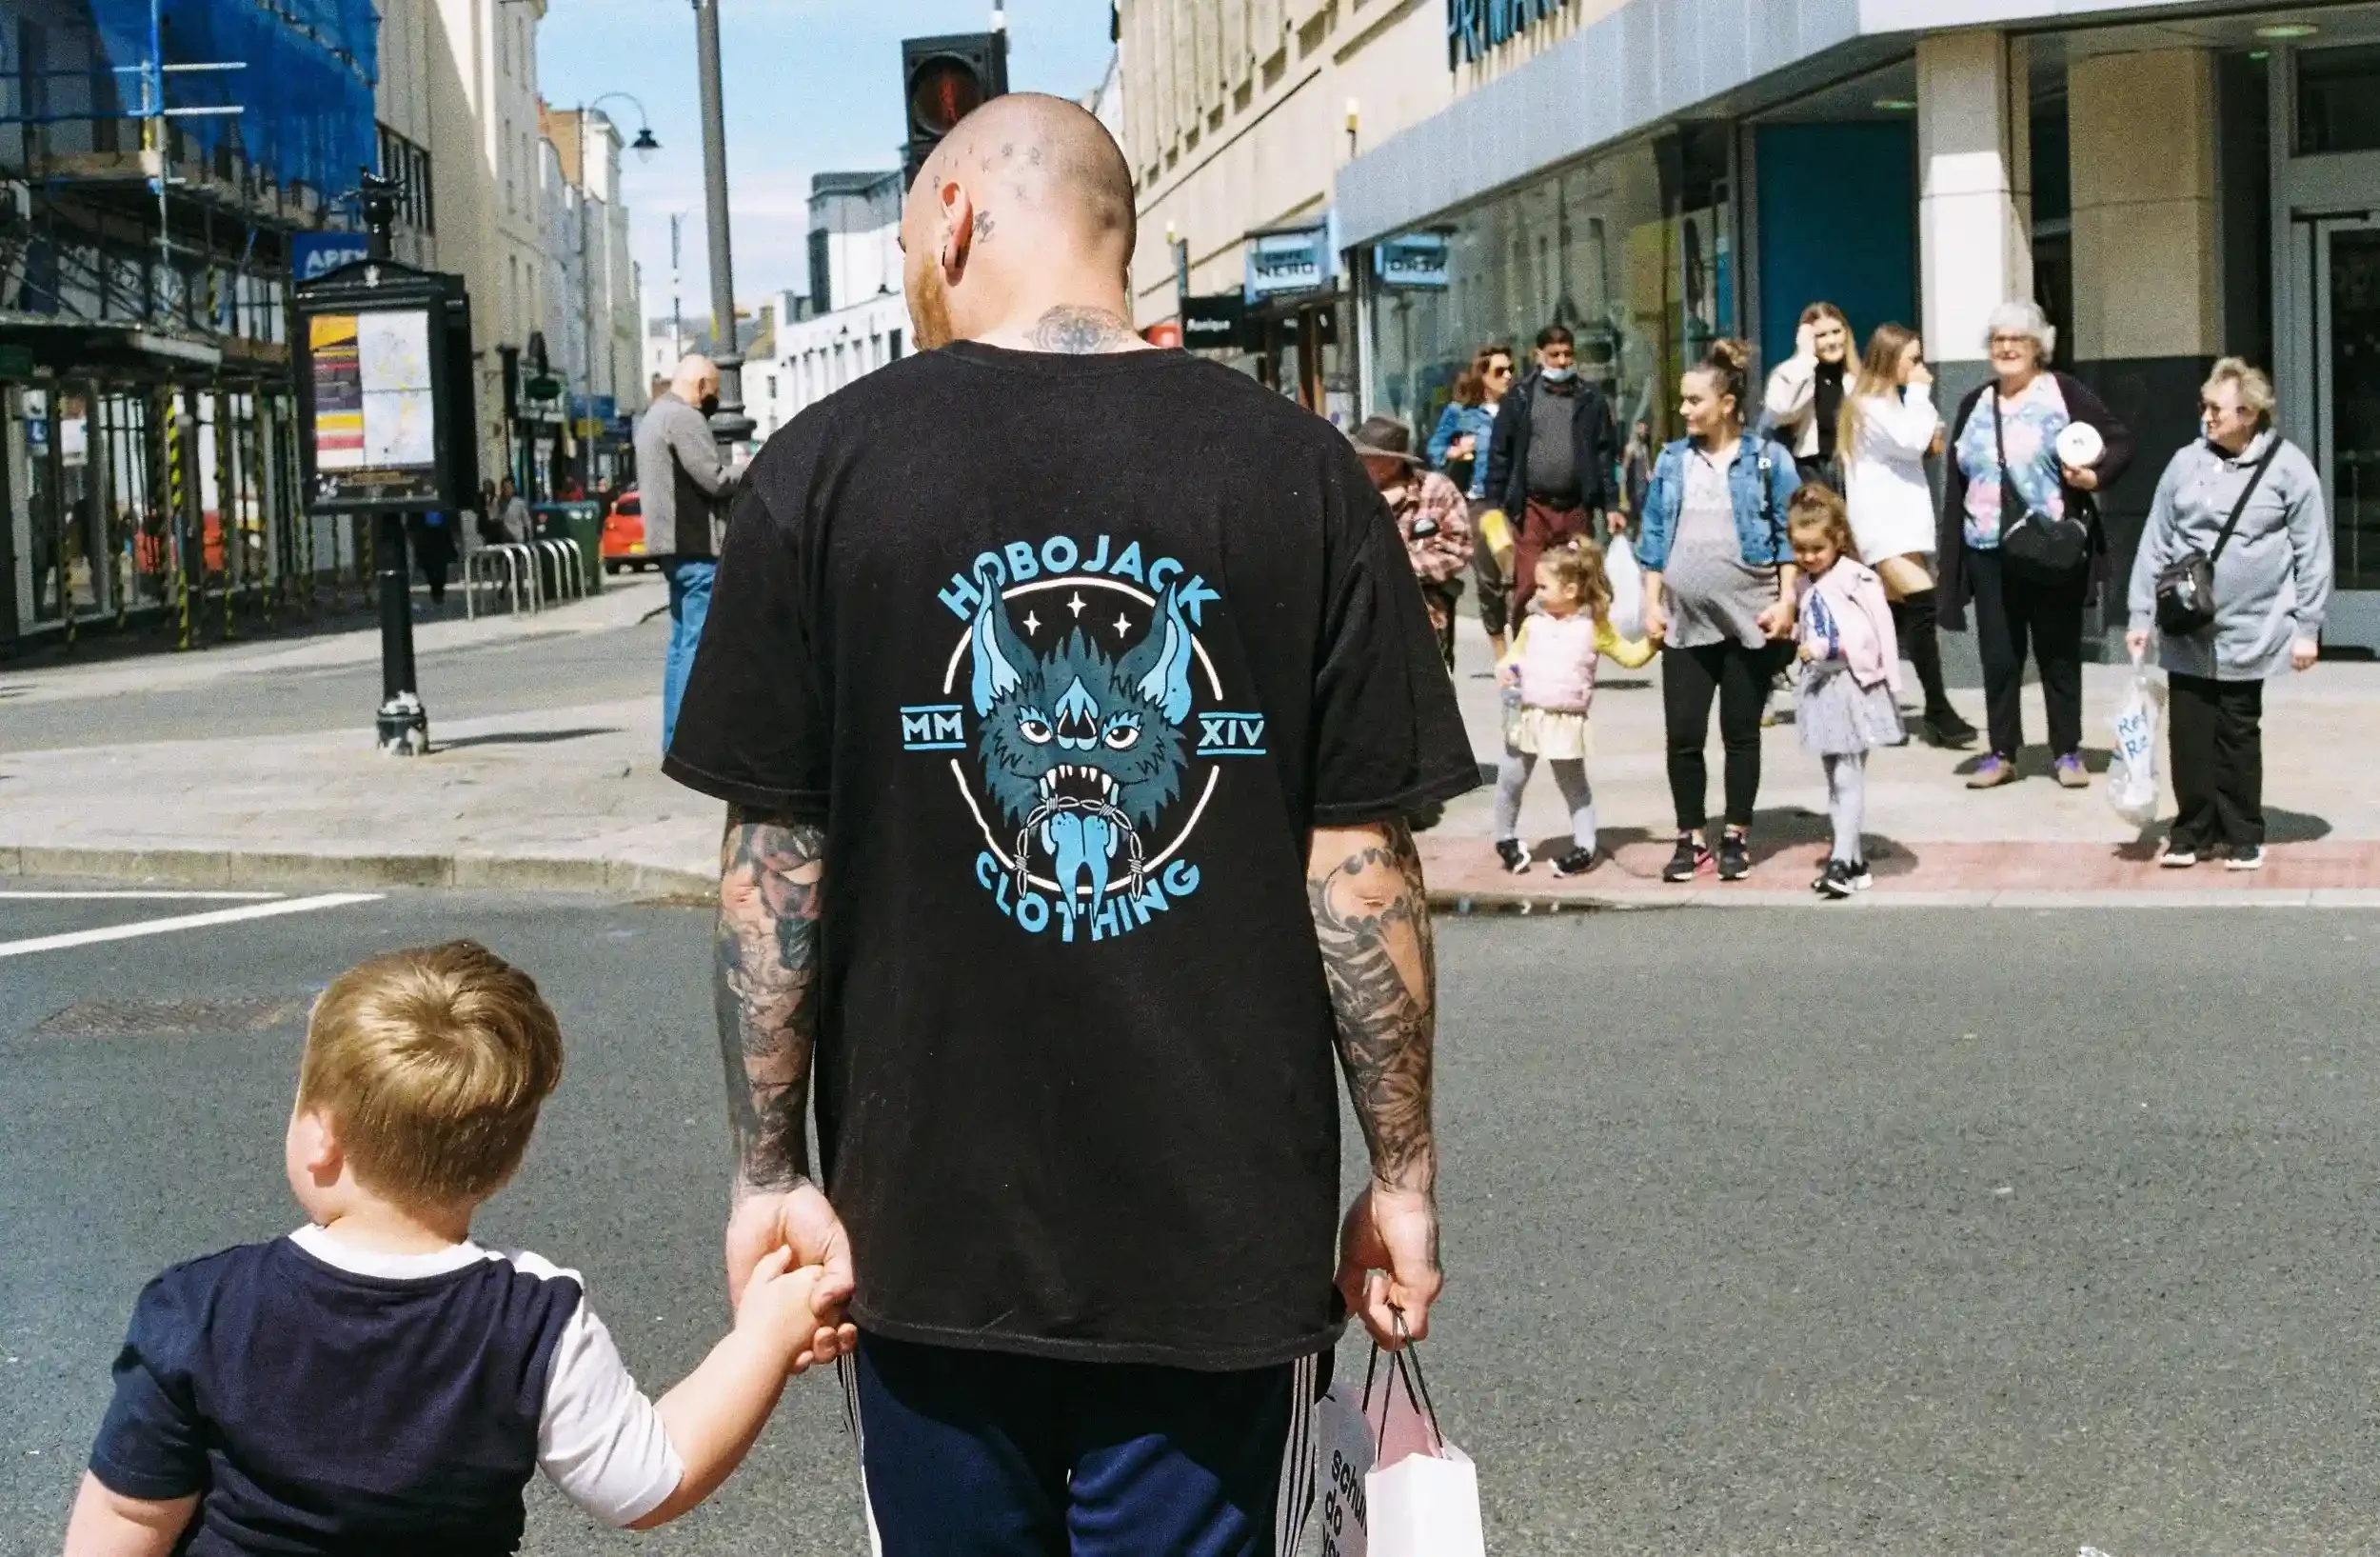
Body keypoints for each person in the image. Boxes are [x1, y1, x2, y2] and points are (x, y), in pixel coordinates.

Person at [663, 92, 1475, 1554]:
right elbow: (1359, 868)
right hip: (1221, 1242)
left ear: (954, 218)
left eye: (908, 245)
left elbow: (775, 874)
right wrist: (1401, 1175)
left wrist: (769, 1171)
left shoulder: (820, 474)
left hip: (926, 1243)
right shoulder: (1298, 471)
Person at [61, 941, 839, 1557]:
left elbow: (130, 1514)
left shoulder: (199, 1307)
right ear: (507, 1162)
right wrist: (764, 1337)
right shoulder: (531, 1319)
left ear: (320, 1136)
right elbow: (651, 1479)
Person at [2126, 359, 2332, 871]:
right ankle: (2192, 832)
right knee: (2189, 733)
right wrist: (2140, 614)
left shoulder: (2289, 468)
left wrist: (2307, 628)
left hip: (2252, 629)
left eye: (2217, 409)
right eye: (2205, 406)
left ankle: (2242, 833)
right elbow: (2155, 540)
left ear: (2249, 413)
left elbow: (2312, 552)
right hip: (2187, 626)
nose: (2207, 416)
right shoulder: (2184, 463)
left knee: (2237, 732)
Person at [1939, 299, 2135, 789]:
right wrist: (1953, 560)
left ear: (2037, 347)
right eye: (1998, 339)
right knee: (1999, 656)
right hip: (1988, 549)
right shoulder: (1974, 403)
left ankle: (2067, 752)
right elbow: (1957, 483)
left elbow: (2119, 441)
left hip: (2050, 546)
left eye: (2017, 339)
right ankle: (2002, 753)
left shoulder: (2063, 393)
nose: (2006, 348)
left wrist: (2093, 477)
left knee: (2058, 652)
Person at [1638, 338, 1803, 884]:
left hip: (1751, 617)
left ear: (1727, 404)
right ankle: (1689, 837)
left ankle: (1735, 834)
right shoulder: (1672, 460)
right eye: (1683, 400)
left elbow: (1789, 534)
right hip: (1685, 622)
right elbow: (1654, 536)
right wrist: (1651, 603)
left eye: (1694, 401)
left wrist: (1787, 600)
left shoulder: (1767, 459)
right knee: (1683, 734)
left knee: (1740, 732)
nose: (1684, 410)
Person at [1837, 322, 1975, 748]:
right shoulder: (1867, 405)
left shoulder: (1888, 403)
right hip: (1882, 526)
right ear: (1890, 358)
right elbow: (1916, 439)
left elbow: (1928, 441)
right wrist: (1919, 393)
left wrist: (1918, 406)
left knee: (1891, 618)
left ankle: (1870, 706)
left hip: (1904, 523)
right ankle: (1938, 710)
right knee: (1922, 603)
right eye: (1912, 359)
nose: (1920, 368)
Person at [1492, 537, 1654, 876]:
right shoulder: (1533, 624)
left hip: (1565, 721)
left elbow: (1630, 656)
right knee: (1511, 779)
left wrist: (1654, 642)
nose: (1536, 593)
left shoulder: (1594, 629)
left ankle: (1585, 847)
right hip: (1525, 715)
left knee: (1574, 787)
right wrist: (1506, 668)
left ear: (1569, 590)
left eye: (1543, 586)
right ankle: (1504, 837)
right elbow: (1514, 655)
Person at [1787, 486, 1903, 899]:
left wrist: (1827, 648)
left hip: (1855, 685)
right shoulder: (1805, 584)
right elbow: (1811, 624)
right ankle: (1852, 861)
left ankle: (1840, 859)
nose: (1808, 557)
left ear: (1837, 539)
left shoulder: (1857, 578)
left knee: (1847, 773)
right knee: (1834, 777)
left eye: (1816, 548)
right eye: (1800, 549)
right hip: (1821, 687)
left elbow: (1873, 632)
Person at [636, 353, 738, 755]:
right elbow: (713, 479)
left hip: (672, 550)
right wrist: (752, 467)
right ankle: (692, 746)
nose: (713, 399)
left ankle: (675, 739)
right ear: (700, 385)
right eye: (714, 390)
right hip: (696, 546)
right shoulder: (684, 418)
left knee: (681, 645)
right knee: (698, 646)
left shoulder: (653, 417)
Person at [1483, 323, 1623, 617]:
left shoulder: (1590, 399)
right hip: (1533, 509)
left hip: (1575, 508)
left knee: (1578, 584)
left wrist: (1611, 505)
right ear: (1538, 355)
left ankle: (1576, 643)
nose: (1562, 362)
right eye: (1554, 355)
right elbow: (1500, 453)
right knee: (1528, 585)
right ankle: (1524, 643)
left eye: (1567, 354)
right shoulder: (1520, 398)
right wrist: (1494, 505)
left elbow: (1604, 455)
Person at [1357, 415, 1474, 670]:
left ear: (1392, 463)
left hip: (1421, 611)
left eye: (1366, 458)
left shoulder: (1436, 489)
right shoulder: (1350, 492)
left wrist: (1395, 566)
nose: (1358, 464)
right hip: (1359, 616)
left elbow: (1458, 550)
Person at [1429, 344, 1517, 656]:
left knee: (1518, 578)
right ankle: (1501, 652)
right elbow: (1435, 450)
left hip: (1514, 503)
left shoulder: (1518, 410)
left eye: (1511, 370)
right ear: (1483, 376)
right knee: (1490, 581)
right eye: (1499, 371)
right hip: (1480, 504)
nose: (1507, 376)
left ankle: (1523, 649)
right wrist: (1455, 450)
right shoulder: (1460, 414)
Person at [1763, 302, 1855, 487]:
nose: (1831, 341)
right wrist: (1805, 357)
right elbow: (1782, 412)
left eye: (1836, 332)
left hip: (1850, 472)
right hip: (1810, 471)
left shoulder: (1855, 378)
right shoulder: (1790, 374)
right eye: (1821, 335)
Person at [409, 509, 456, 608]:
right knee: (434, 566)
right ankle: (437, 590)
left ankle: (438, 590)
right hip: (430, 534)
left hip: (435, 535)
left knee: (437, 566)